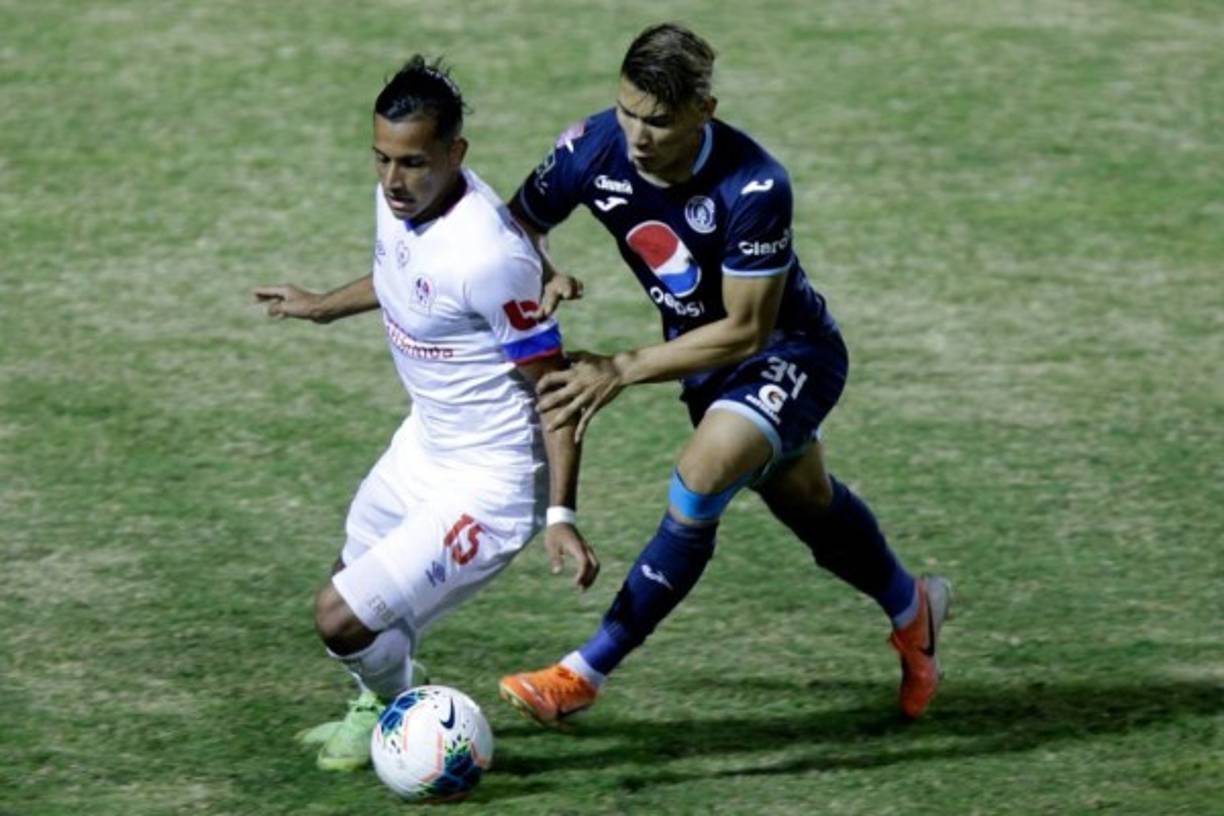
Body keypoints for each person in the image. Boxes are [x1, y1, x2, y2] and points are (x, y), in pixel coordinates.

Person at [497, 23, 950, 726]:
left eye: (658, 122)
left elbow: (746, 328)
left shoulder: (756, 184)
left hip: (789, 355)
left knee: (703, 475)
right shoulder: (590, 146)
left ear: (703, 112)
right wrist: (547, 268)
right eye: (626, 112)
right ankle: (910, 606)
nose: (637, 136)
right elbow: (517, 223)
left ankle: (583, 673)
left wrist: (620, 368)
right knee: (809, 503)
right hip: (705, 367)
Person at [254, 56, 599, 771]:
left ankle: (407, 718)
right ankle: (379, 703)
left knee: (340, 615)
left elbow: (555, 388)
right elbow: (402, 278)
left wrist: (560, 514)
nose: (392, 180)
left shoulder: (486, 255)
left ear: (455, 155)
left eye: (412, 163)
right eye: (380, 158)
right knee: (353, 578)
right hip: (426, 444)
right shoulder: (397, 199)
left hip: (490, 484)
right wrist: (320, 305)